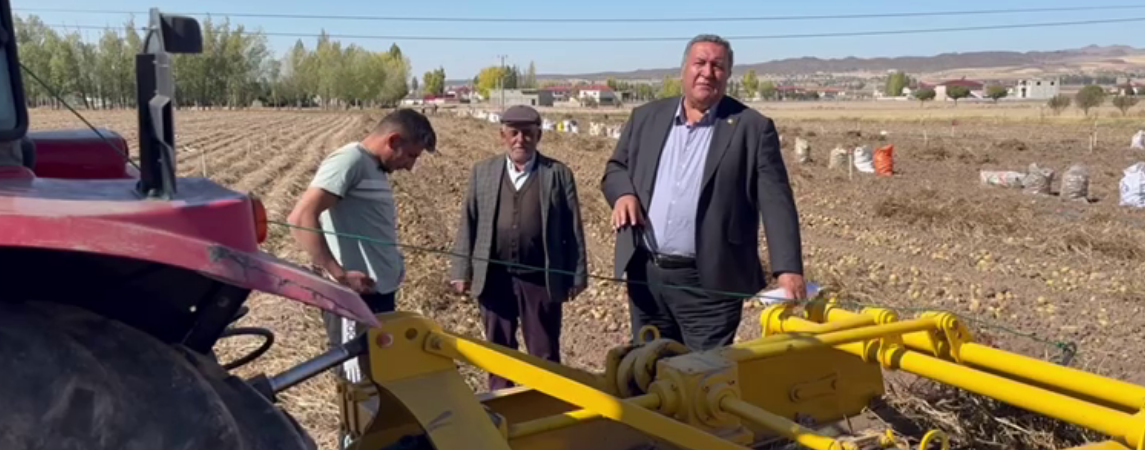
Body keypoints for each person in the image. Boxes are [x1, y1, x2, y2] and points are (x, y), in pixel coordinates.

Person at [599, 34, 805, 351]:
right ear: (684, 69)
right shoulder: (646, 117)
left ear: (728, 74)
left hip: (711, 282)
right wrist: (623, 194)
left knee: (702, 373)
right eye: (700, 63)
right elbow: (616, 168)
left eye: (717, 66)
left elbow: (776, 201)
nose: (707, 72)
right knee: (647, 365)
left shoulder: (752, 127)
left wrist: (788, 269)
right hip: (646, 274)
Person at [286, 108, 436, 383]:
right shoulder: (350, 161)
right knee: (357, 382)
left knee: (379, 375)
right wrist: (340, 275)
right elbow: (300, 218)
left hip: (377, 295)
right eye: (411, 155)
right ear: (393, 140)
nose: (410, 166)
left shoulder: (372, 168)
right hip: (354, 299)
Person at [449, 104, 588, 391]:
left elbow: (573, 228)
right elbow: (468, 222)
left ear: (539, 136)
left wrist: (576, 274)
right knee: (498, 351)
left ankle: (547, 404)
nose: (520, 140)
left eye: (527, 133)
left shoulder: (557, 174)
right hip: (494, 276)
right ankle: (502, 405)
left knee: (544, 352)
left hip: (539, 279)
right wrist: (461, 270)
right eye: (513, 133)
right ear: (502, 135)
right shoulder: (483, 172)